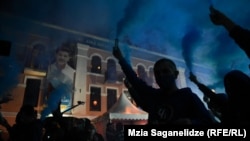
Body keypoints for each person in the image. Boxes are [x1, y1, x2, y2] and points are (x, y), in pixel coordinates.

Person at [112, 40, 215, 125]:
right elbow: (136, 82)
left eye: (166, 71)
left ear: (175, 74)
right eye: (157, 73)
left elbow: (209, 123)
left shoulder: (188, 97)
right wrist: (121, 59)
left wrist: (190, 123)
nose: (161, 75)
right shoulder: (154, 96)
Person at [44, 43, 75, 119]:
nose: (62, 57)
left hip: (64, 100)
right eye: (60, 55)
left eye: (65, 56)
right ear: (56, 55)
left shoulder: (71, 71)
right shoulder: (50, 68)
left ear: (68, 58)